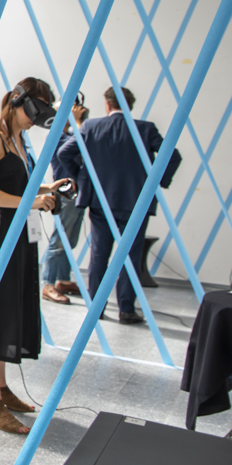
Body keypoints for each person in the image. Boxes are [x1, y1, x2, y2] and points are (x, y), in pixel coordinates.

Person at [0, 78, 69, 435]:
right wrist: (30, 201)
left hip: (18, 236)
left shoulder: (19, 142)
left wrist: (44, 190)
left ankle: (0, 390)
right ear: (16, 101)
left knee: (8, 311)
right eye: (33, 110)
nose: (34, 120)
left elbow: (17, 187)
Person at [56, 86, 182, 325]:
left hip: (101, 202)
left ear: (107, 104)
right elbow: (172, 155)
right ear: (130, 105)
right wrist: (158, 181)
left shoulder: (91, 126)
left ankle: (97, 309)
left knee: (99, 255)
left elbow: (64, 152)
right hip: (137, 201)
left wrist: (83, 178)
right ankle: (126, 309)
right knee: (130, 257)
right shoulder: (145, 129)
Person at [41, 96, 89, 305]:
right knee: (60, 240)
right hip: (65, 193)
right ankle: (48, 283)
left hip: (75, 193)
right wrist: (79, 124)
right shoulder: (58, 135)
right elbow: (74, 146)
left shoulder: (68, 134)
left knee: (70, 240)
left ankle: (62, 279)